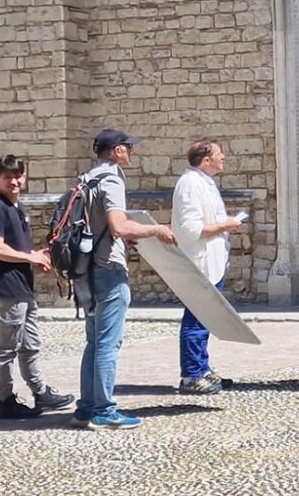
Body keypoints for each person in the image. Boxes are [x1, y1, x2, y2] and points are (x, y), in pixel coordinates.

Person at [72, 128, 177, 430]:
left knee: (93, 342)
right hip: (109, 270)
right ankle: (104, 410)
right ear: (117, 150)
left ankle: (86, 407)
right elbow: (118, 226)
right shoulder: (112, 179)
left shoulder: (88, 178)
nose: (131, 152)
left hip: (87, 269)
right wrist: (156, 230)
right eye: (128, 147)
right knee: (108, 343)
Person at [0, 154, 75, 419]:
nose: (14, 181)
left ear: (25, 177)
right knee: (6, 349)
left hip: (22, 288)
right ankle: (6, 400)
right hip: (6, 289)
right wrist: (29, 257)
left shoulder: (17, 207)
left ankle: (40, 392)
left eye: (18, 176)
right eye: (8, 177)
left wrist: (36, 255)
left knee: (30, 344)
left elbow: (14, 248)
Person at [171, 138, 244, 394]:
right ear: (206, 159)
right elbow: (190, 229)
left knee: (205, 319)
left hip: (212, 263)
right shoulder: (190, 184)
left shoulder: (204, 182)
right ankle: (191, 376)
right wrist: (226, 225)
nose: (223, 157)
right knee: (197, 320)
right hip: (199, 264)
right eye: (219, 154)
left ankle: (202, 368)